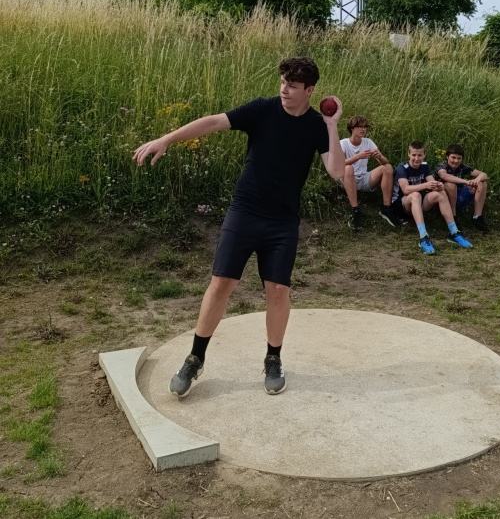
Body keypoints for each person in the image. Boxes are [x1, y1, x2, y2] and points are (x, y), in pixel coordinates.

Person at [133, 57, 344, 397]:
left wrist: (332, 126)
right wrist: (167, 139)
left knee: (278, 290)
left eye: (292, 85)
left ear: (309, 90)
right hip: (245, 213)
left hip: (282, 221)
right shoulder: (262, 110)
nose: (284, 90)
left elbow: (336, 171)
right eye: (282, 82)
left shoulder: (317, 125)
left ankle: (273, 359)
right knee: (221, 283)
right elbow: (214, 121)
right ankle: (195, 359)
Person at [392, 141, 473, 255]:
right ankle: (423, 237)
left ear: (424, 155)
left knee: (440, 192)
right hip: (403, 206)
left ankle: (454, 232)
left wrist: (438, 185)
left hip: (419, 204)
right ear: (409, 154)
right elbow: (405, 189)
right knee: (415, 195)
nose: (416, 158)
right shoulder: (402, 168)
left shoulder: (425, 166)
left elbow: (432, 182)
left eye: (420, 155)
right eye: (414, 155)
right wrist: (426, 185)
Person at [339, 115, 403, 230]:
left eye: (365, 127)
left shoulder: (368, 142)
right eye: (360, 127)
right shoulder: (343, 143)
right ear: (352, 128)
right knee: (348, 168)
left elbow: (386, 162)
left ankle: (386, 208)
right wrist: (358, 156)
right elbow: (338, 164)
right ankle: (355, 210)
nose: (363, 129)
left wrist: (379, 157)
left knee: (387, 167)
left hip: (364, 178)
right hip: (347, 179)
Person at [435, 144, 490, 232]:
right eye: (453, 157)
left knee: (482, 183)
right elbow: (444, 176)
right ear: (447, 157)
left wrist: (476, 180)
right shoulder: (442, 165)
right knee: (451, 184)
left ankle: (477, 217)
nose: (456, 161)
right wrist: (466, 182)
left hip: (459, 195)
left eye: (459, 158)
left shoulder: (462, 166)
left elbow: (484, 174)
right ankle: (453, 218)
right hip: (444, 200)